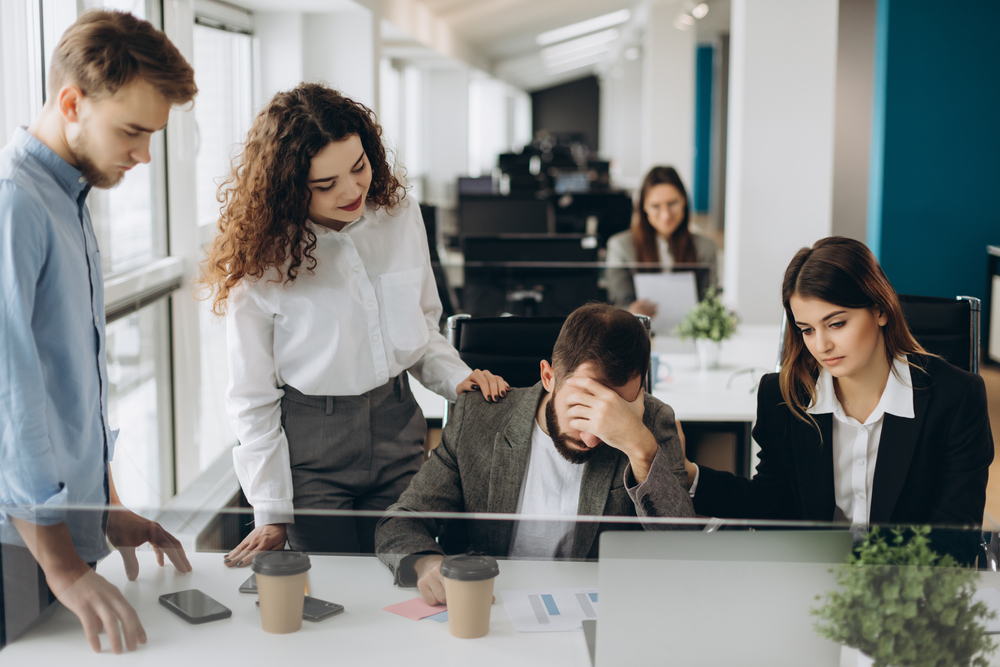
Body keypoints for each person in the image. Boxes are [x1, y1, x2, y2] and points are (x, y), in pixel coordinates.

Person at [201, 83, 507, 561]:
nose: (351, 191)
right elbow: (252, 397)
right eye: (326, 185)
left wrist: (458, 378)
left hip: (398, 427)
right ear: (287, 187)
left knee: (405, 578)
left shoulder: (399, 214)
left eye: (359, 166)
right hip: (310, 449)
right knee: (333, 592)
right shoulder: (262, 260)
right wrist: (271, 508)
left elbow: (420, 328)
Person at [0, 10, 196, 653]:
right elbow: (12, 393)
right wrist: (60, 564)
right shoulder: (14, 202)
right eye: (132, 132)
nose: (143, 155)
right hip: (21, 545)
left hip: (62, 531)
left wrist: (107, 507)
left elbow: (73, 382)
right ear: (71, 102)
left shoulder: (69, 195)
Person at [638, 237, 994, 565]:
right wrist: (687, 473)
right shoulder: (783, 396)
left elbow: (954, 538)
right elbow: (773, 504)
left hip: (907, 599)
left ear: (881, 310)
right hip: (810, 587)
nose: (821, 345)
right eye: (806, 329)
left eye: (836, 324)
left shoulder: (956, 399)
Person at [375, 303, 694, 605]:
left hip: (597, 614)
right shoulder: (480, 418)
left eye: (615, 411)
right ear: (548, 377)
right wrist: (427, 563)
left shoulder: (651, 422)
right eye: (581, 407)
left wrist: (640, 449)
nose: (592, 437)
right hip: (493, 608)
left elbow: (682, 553)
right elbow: (399, 523)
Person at [605, 166, 718, 317]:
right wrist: (632, 312)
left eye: (672, 204)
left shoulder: (705, 248)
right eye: (656, 206)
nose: (665, 215)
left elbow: (709, 303)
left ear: (684, 201)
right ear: (643, 207)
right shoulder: (620, 246)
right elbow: (618, 303)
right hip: (637, 334)